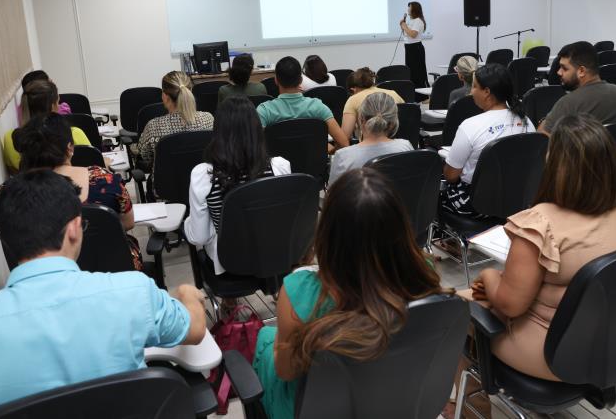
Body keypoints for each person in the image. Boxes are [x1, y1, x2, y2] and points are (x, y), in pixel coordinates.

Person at [0, 170, 206, 411]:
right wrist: (187, 293)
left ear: (4, 237)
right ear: (75, 229)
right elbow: (194, 330)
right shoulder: (132, 291)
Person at [465, 115, 616, 383]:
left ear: (554, 164)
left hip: (554, 354)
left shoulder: (541, 224)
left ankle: (468, 403)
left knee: (453, 310)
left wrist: (488, 275)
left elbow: (510, 306)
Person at [252, 168, 448, 419]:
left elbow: (286, 372)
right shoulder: (422, 276)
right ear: (400, 228)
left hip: (315, 410)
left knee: (265, 338)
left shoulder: (298, 290)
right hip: (395, 400)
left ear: (327, 231)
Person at [9, 113, 142, 269]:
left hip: (44, 280)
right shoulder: (104, 179)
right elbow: (128, 223)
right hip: (112, 271)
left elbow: (8, 237)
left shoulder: (6, 194)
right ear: (70, 148)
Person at [185, 96, 291, 275]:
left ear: (217, 131)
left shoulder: (204, 175)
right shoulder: (279, 167)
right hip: (272, 254)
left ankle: (230, 301)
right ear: (257, 129)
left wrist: (187, 222)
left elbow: (199, 237)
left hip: (229, 261)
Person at [441, 64, 534, 216]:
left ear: (487, 92)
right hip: (519, 199)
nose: (471, 91)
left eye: (475, 86)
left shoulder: (470, 126)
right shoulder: (526, 122)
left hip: (477, 204)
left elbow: (451, 176)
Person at [538, 41, 616, 134]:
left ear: (581, 71)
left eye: (564, 68)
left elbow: (542, 138)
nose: (559, 72)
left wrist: (544, 121)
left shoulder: (568, 103)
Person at [257, 56, 348, 148]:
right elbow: (344, 143)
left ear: (276, 80)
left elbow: (254, 146)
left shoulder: (264, 111)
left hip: (277, 162)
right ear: (301, 80)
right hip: (315, 162)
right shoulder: (318, 107)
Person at [3, 79, 91, 172]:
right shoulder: (74, 134)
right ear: (53, 106)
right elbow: (92, 163)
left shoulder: (10, 139)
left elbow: (14, 172)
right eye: (58, 102)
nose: (60, 106)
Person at [328, 92, 413, 185]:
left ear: (361, 120)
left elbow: (333, 195)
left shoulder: (344, 156)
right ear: (393, 122)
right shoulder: (405, 146)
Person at [136, 71, 214, 170]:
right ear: (190, 91)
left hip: (166, 184)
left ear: (165, 96)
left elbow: (145, 156)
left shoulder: (153, 127)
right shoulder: (208, 119)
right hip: (202, 182)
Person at [342, 67, 405, 139]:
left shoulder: (352, 100)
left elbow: (344, 137)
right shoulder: (394, 93)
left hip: (368, 147)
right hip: (397, 145)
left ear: (353, 89)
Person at [401, 1, 428, 88]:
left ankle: (421, 96)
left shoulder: (418, 21)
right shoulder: (411, 21)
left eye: (410, 7)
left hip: (415, 49)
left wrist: (404, 26)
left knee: (418, 73)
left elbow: (413, 34)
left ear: (414, 9)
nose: (408, 9)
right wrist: (402, 25)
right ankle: (414, 94)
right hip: (409, 48)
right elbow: (407, 34)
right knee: (411, 73)